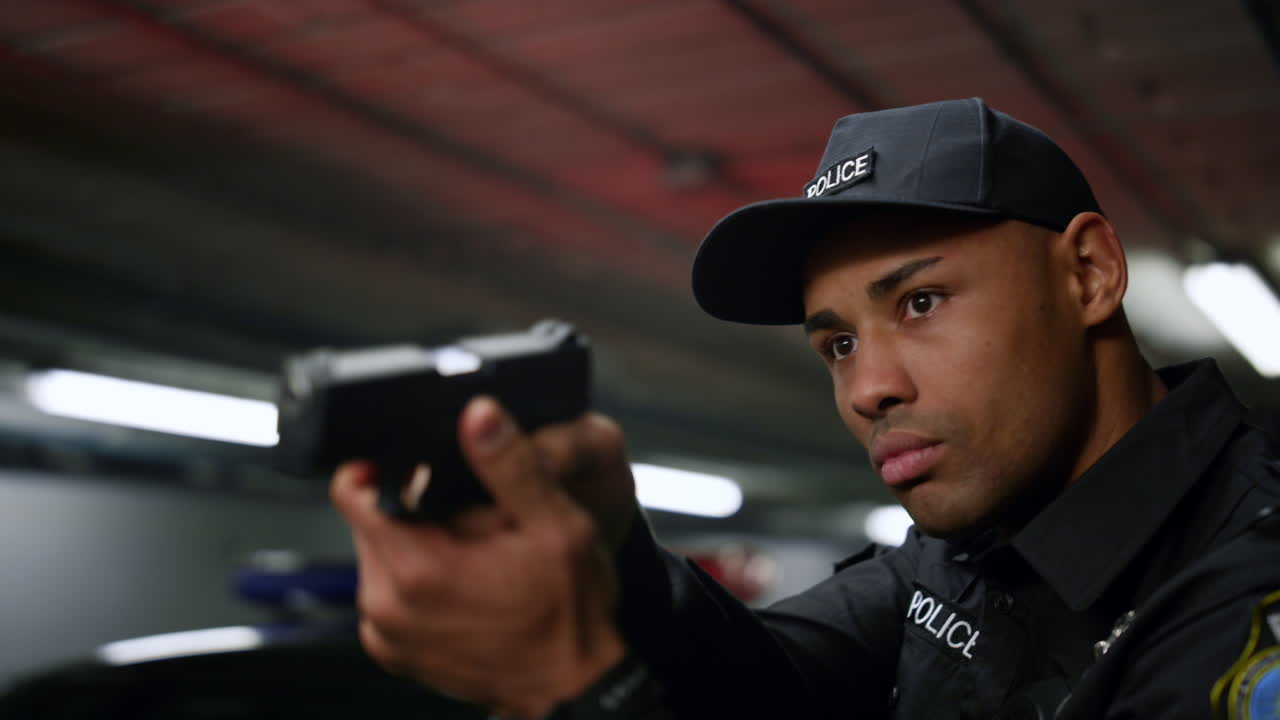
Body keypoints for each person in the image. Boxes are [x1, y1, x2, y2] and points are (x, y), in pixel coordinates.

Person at [330, 98, 1280, 719]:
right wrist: (607, 542)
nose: (868, 390)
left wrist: (578, 690)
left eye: (920, 303)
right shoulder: (968, 555)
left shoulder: (1248, 591)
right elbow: (770, 683)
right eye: (838, 344)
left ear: (1089, 273)